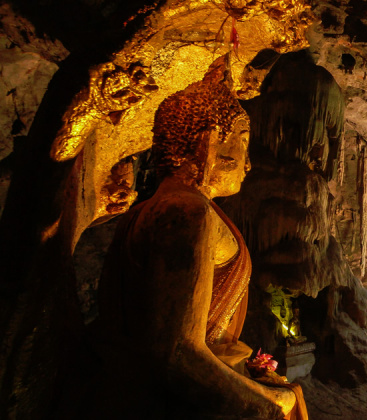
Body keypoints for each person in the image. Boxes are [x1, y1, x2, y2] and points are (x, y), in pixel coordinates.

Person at [95, 56, 303, 419]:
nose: (248, 163)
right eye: (241, 141)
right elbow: (176, 351)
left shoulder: (152, 208)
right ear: (209, 143)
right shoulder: (186, 213)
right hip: (173, 397)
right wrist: (263, 403)